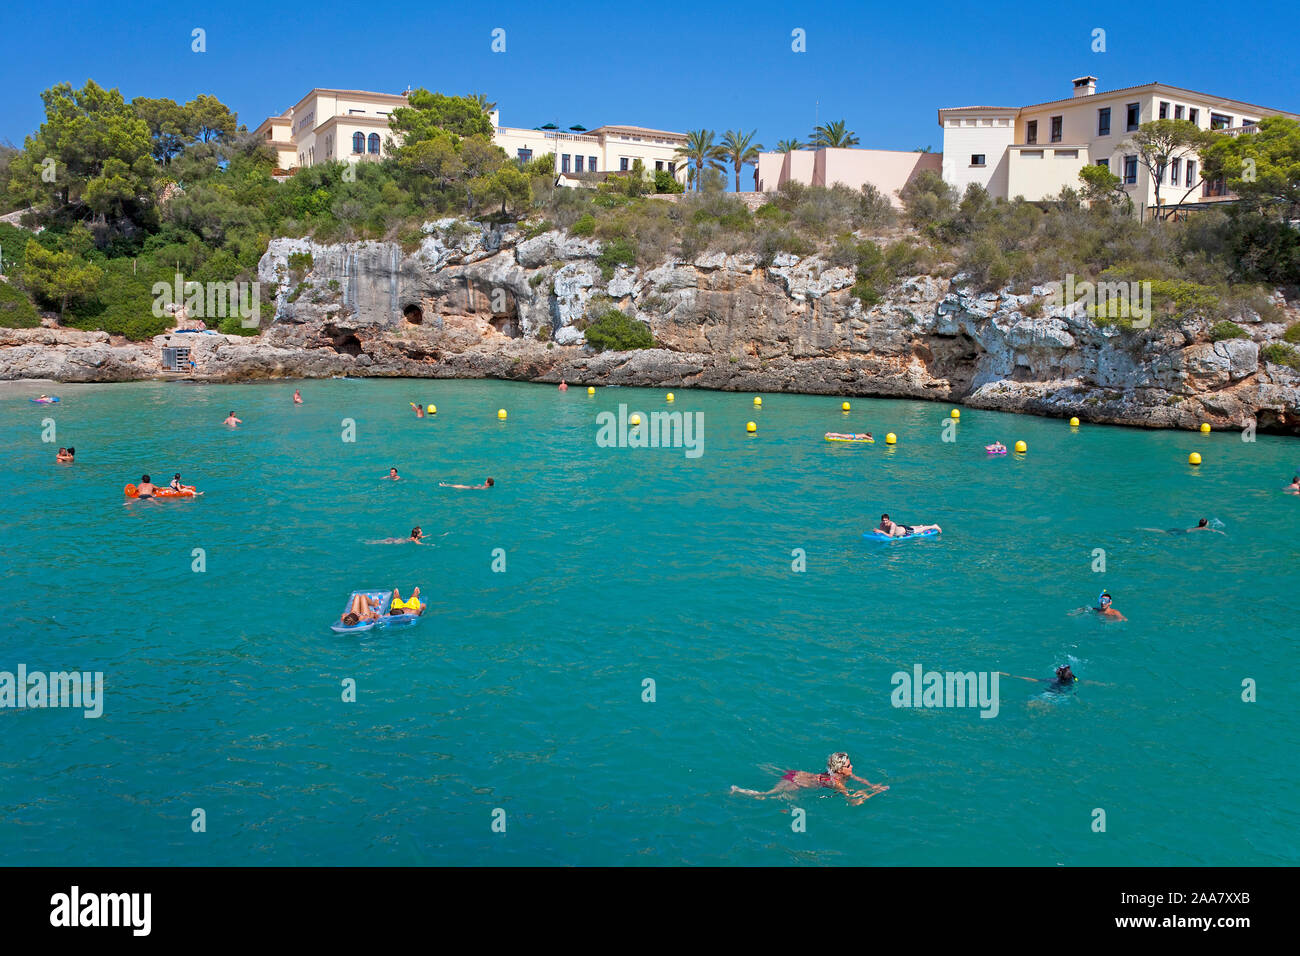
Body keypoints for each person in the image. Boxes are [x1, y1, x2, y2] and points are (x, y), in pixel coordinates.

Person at [731, 753, 888, 806]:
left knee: (777, 797)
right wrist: (875, 793)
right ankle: (738, 791)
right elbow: (853, 801)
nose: (852, 766)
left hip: (796, 774)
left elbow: (860, 780)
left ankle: (743, 792)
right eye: (848, 765)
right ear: (839, 770)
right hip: (796, 782)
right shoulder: (837, 782)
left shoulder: (845, 774)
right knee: (767, 795)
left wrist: (872, 786)